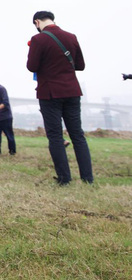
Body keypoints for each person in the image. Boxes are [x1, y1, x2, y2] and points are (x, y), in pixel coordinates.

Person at [26, 11, 94, 185]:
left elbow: (32, 66)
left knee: (55, 136)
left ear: (37, 22)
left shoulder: (38, 40)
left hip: (50, 93)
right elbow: (80, 65)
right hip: (72, 91)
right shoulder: (71, 37)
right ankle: (88, 178)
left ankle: (64, 179)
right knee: (78, 135)